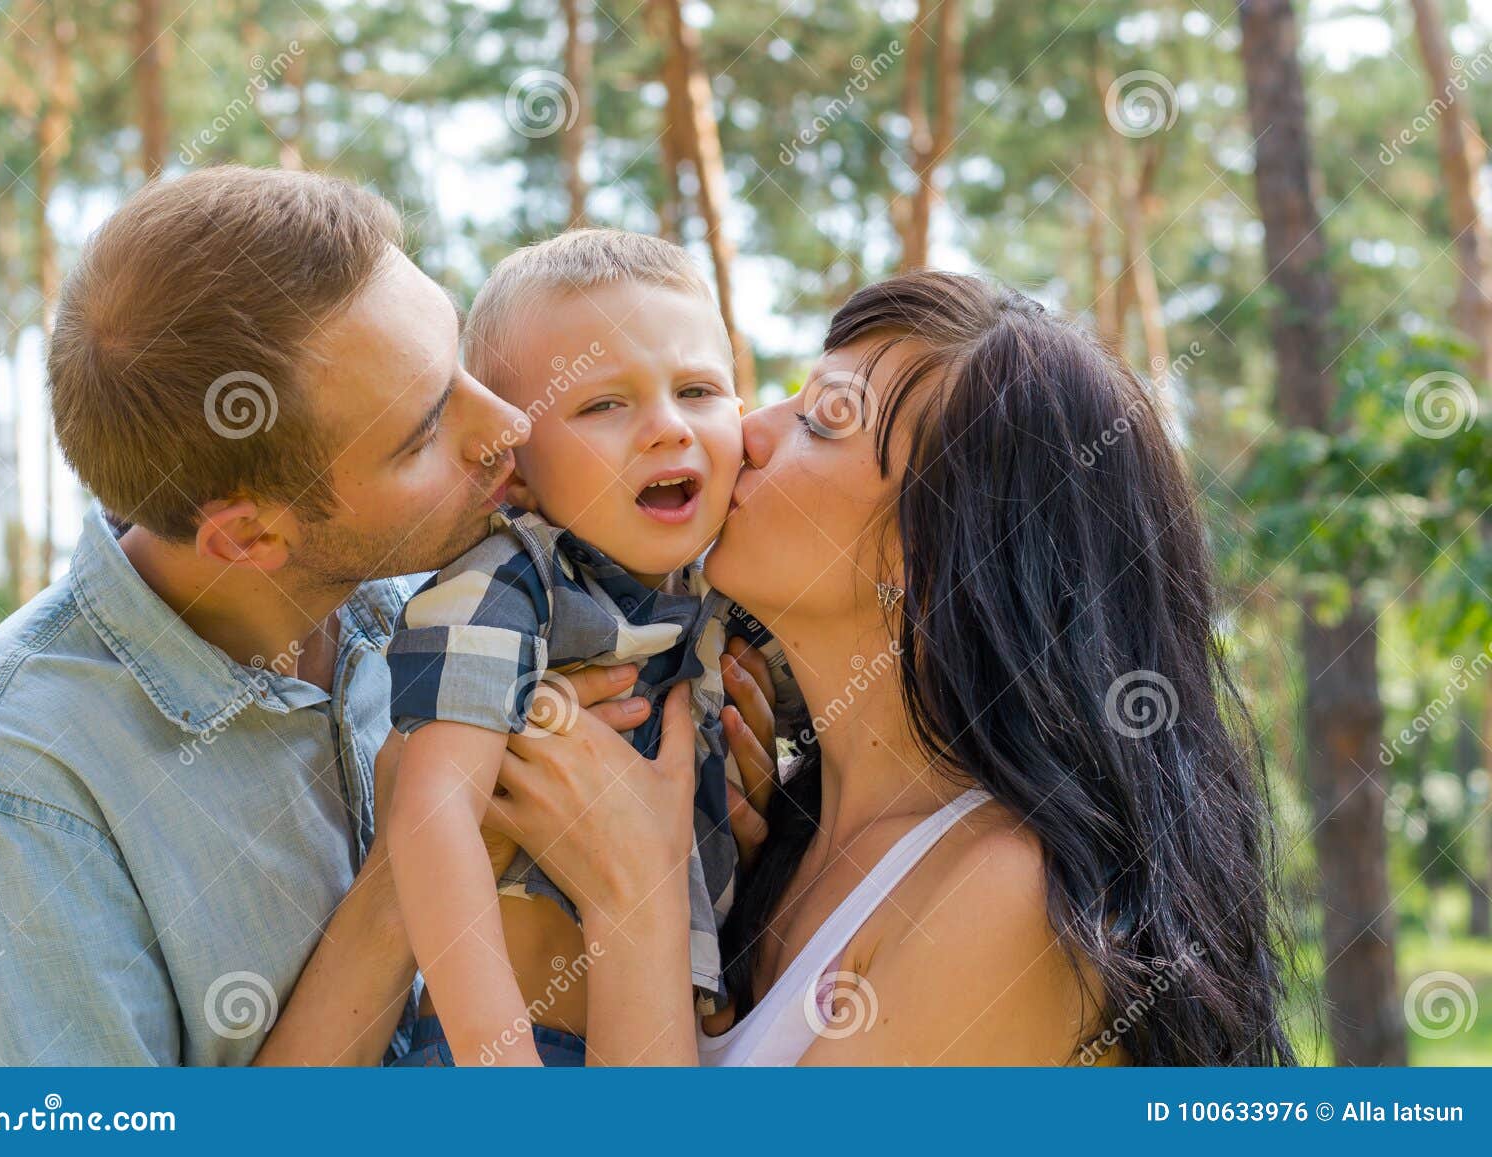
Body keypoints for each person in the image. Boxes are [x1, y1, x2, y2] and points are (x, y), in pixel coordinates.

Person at [483, 272, 1296, 1065]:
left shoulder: (1006, 901)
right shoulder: (764, 836)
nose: (746, 430)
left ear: (938, 552)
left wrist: (637, 900)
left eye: (822, 421)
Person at [0, 164, 535, 1064]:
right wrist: (410, 867)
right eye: (425, 430)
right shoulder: (21, 767)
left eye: (461, 366)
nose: (511, 422)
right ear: (248, 537)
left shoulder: (460, 590)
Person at [385, 229, 797, 1067]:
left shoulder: (724, 588)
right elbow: (434, 819)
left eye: (697, 389)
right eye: (602, 403)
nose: (666, 428)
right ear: (515, 472)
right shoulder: (506, 587)